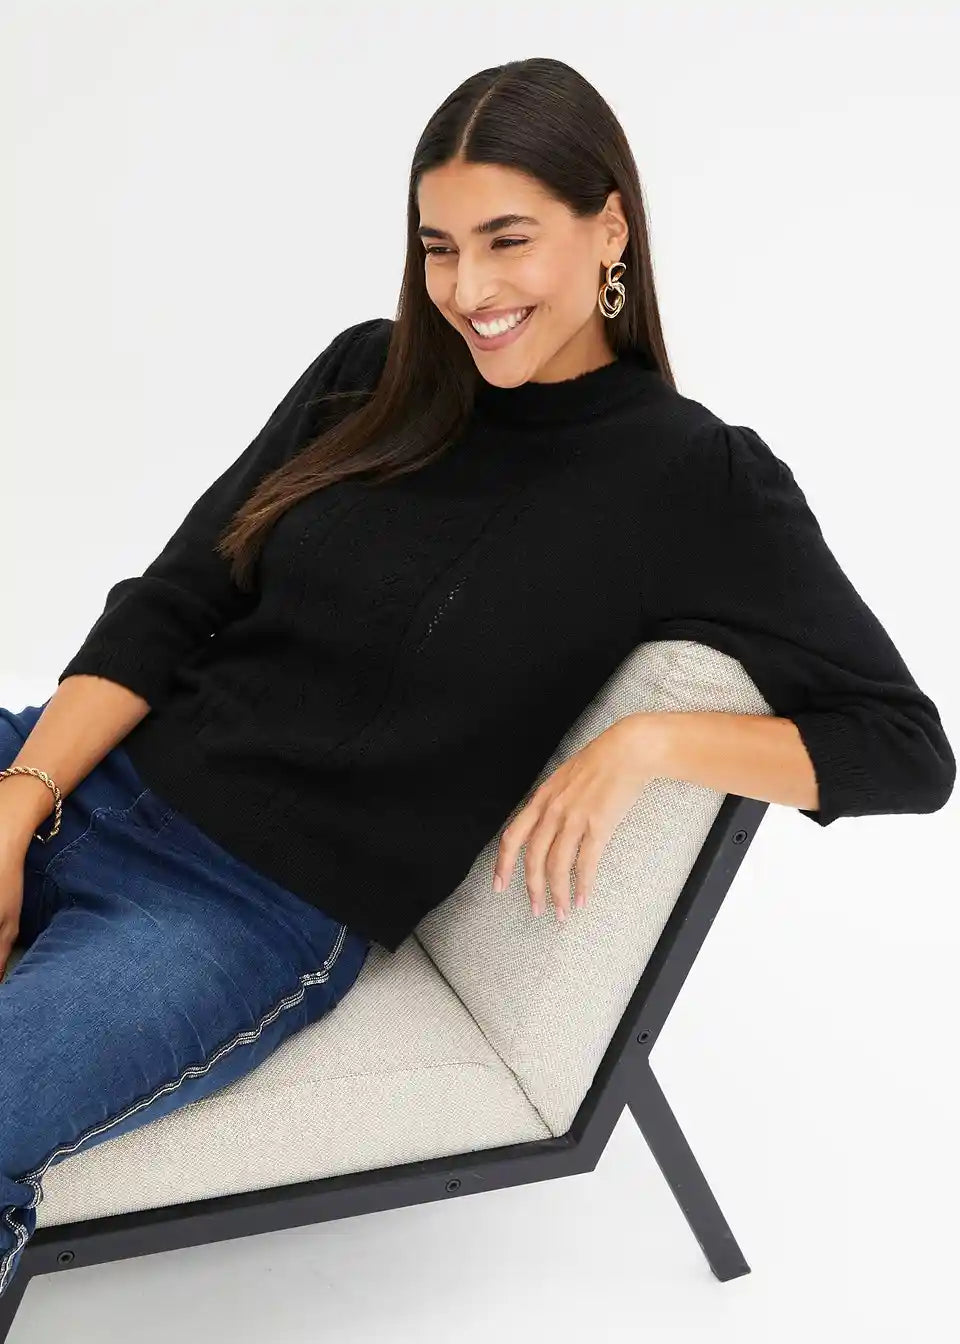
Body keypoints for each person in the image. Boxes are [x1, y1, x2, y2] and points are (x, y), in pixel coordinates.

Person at [0, 56, 954, 1300]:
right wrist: (18, 806)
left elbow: (907, 749)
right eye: (439, 248)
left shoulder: (694, 481)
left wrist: (651, 743)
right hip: (77, 772)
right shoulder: (366, 372)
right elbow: (171, 606)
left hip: (231, 914)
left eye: (508, 241)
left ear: (609, 227)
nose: (467, 290)